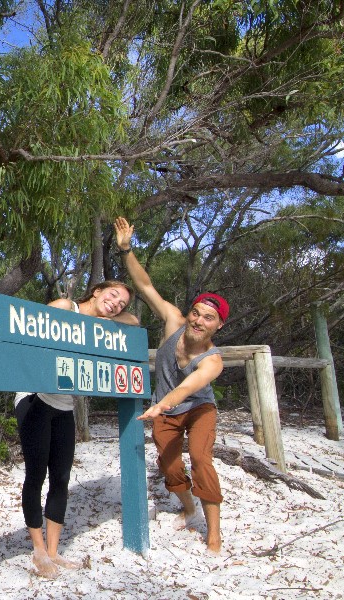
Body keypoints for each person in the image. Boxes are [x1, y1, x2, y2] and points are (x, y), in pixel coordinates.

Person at [114, 216, 228, 554]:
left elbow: (188, 387)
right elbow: (146, 286)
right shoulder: (174, 322)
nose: (198, 320)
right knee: (169, 463)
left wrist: (162, 404)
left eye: (208, 318)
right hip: (164, 408)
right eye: (196, 313)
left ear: (218, 326)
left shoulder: (213, 360)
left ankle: (214, 532)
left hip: (196, 408)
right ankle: (188, 507)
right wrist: (126, 250)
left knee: (200, 459)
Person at [14, 281, 139, 578]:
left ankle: (54, 551)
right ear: (96, 291)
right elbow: (29, 330)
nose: (116, 304)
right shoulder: (64, 307)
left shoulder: (101, 327)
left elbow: (134, 321)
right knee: (36, 475)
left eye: (121, 303)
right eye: (112, 295)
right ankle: (39, 550)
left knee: (61, 477)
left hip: (64, 403)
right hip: (34, 397)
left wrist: (107, 317)